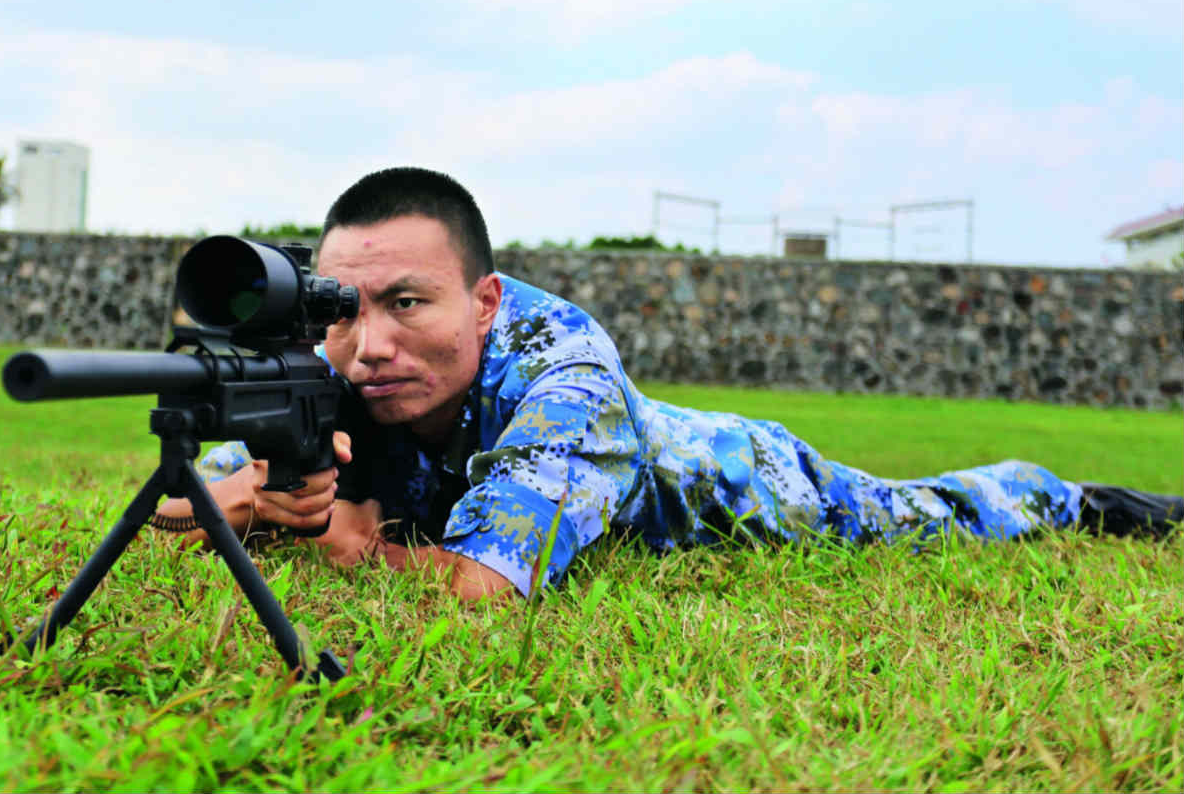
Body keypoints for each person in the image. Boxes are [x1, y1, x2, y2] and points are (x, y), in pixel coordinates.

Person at [157, 168, 1182, 601]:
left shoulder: (565, 369)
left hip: (741, 483)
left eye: (409, 305)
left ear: (486, 301)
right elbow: (178, 493)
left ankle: (1071, 497)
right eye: (345, 307)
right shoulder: (328, 361)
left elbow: (479, 593)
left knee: (930, 514)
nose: (367, 344)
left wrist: (347, 548)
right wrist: (245, 494)